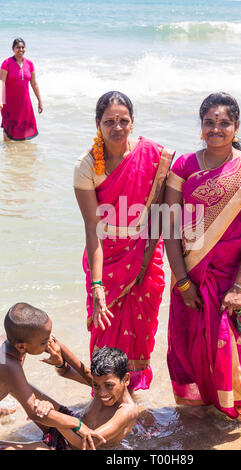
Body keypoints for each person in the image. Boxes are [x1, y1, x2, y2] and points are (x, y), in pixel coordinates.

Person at [164, 92, 241, 419]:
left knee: (225, 349)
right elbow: (170, 229)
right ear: (201, 126)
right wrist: (183, 283)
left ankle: (230, 415)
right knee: (188, 349)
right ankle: (197, 415)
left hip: (229, 280)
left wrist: (240, 287)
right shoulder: (184, 166)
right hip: (189, 275)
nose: (216, 129)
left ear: (236, 126)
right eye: (209, 122)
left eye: (224, 123)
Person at [74, 91, 174, 392]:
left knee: (140, 333)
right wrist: (97, 284)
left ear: (132, 123)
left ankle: (131, 399)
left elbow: (164, 214)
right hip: (107, 257)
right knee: (104, 330)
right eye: (109, 121)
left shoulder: (155, 156)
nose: (117, 127)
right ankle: (104, 395)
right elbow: (92, 229)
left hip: (146, 255)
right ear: (97, 124)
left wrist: (149, 260)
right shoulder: (87, 166)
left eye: (123, 120)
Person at [0, 303, 103, 450]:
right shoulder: (10, 365)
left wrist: (60, 360)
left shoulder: (12, 340)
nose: (50, 342)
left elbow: (13, 385)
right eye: (44, 342)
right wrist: (77, 424)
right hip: (10, 378)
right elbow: (35, 414)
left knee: (23, 388)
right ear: (21, 347)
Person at [1, 343, 138, 450]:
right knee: (12, 380)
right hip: (69, 420)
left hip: (70, 445)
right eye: (95, 385)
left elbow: (85, 445)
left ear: (126, 379)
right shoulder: (102, 380)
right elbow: (65, 371)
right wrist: (58, 359)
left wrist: (55, 419)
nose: (101, 392)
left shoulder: (126, 410)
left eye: (109, 385)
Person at [0, 38, 43, 141]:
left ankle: (20, 153)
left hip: (24, 103)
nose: (20, 49)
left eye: (23, 47)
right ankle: (7, 151)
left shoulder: (30, 64)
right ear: (13, 49)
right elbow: (2, 82)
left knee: (23, 131)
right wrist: (0, 100)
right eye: (18, 47)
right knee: (8, 129)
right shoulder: (7, 63)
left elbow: (34, 83)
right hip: (9, 102)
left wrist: (39, 101)